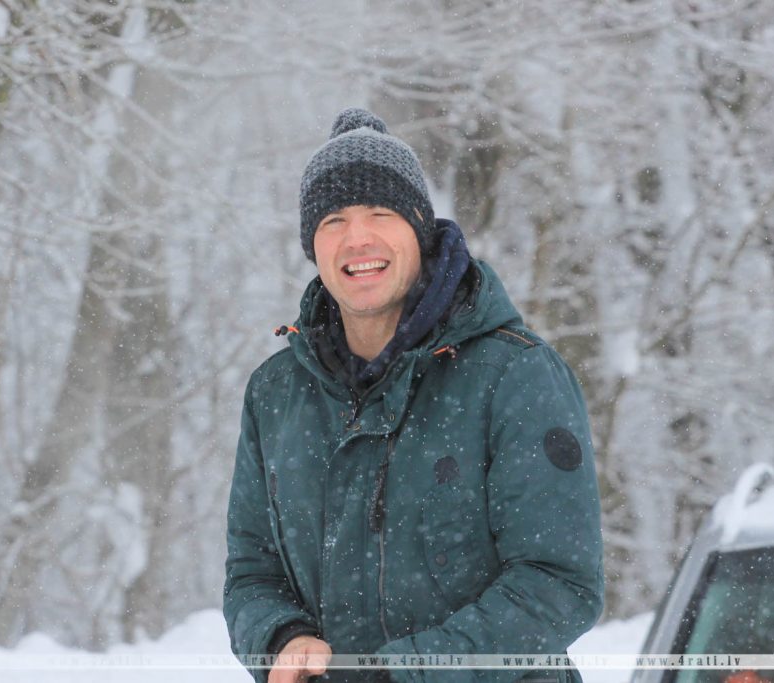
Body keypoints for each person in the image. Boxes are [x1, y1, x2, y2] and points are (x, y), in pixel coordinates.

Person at [224, 108, 604, 683]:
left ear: (421, 230)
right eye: (333, 219)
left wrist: (408, 672)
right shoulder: (276, 393)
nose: (357, 238)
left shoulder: (514, 374)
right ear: (312, 244)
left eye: (381, 213)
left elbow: (559, 583)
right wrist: (281, 639)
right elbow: (252, 573)